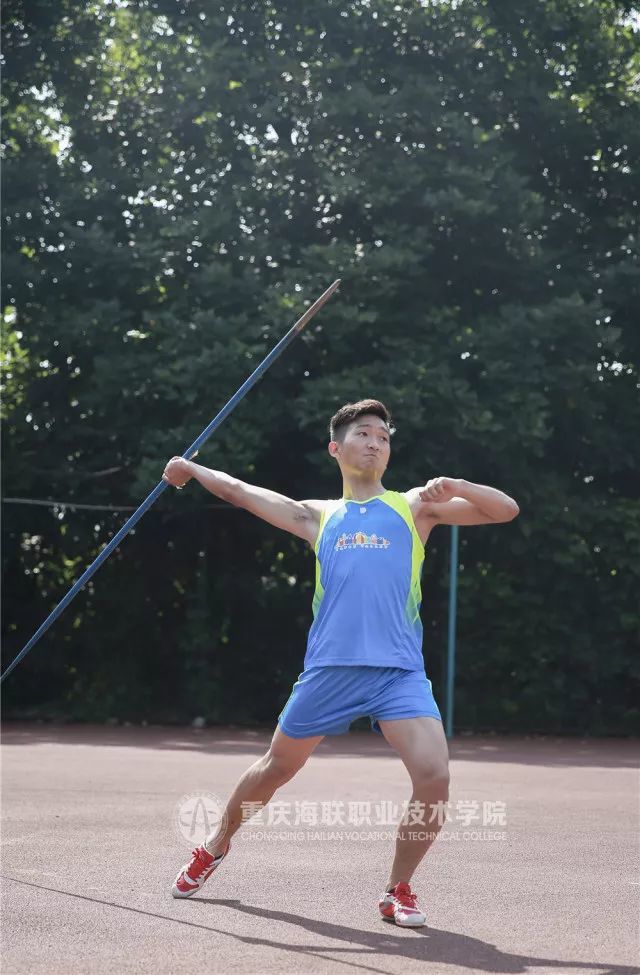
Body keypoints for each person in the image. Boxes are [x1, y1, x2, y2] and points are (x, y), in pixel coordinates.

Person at [164, 398, 519, 925]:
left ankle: (398, 888)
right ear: (336, 448)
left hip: (397, 673)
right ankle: (215, 845)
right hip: (330, 669)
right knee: (276, 768)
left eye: (384, 437)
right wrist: (191, 469)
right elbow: (239, 491)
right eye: (364, 434)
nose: (375, 443)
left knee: (434, 776)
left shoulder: (415, 507)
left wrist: (458, 485)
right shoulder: (318, 515)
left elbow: (505, 510)